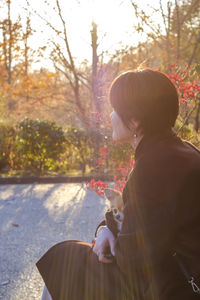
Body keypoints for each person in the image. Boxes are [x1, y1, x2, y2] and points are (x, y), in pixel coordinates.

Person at [36, 69, 200, 300]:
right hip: (172, 275)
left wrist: (111, 240)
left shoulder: (155, 165)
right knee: (72, 258)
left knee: (65, 259)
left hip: (170, 286)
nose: (110, 116)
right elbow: (138, 216)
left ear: (134, 120)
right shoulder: (179, 150)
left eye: (115, 109)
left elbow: (134, 259)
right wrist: (107, 229)